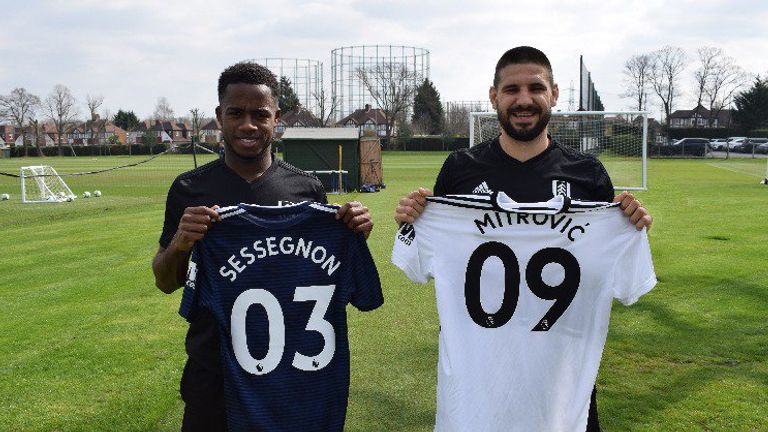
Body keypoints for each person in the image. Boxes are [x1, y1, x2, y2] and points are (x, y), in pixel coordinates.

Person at [394, 46, 652, 432]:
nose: (524, 100)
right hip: (478, 397)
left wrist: (627, 228)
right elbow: (428, 258)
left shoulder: (588, 174)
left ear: (555, 94)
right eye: (512, 89)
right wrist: (413, 221)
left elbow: (605, 269)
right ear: (494, 96)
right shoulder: (460, 170)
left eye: (536, 88)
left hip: (562, 393)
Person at [152, 61, 373, 432]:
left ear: (277, 119)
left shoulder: (307, 189)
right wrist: (180, 243)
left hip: (293, 374)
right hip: (214, 375)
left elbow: (326, 273)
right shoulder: (189, 188)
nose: (248, 125)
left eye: (260, 114)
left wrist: (352, 231)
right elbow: (164, 282)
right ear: (219, 116)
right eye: (236, 113)